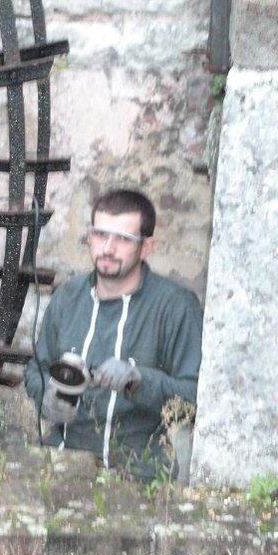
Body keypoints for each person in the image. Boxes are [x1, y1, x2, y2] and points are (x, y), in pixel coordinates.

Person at [24, 188, 203, 476]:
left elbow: (196, 398)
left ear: (147, 247)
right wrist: (47, 397)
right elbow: (36, 370)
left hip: (143, 474)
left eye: (123, 239)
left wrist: (139, 381)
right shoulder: (67, 298)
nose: (107, 248)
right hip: (63, 464)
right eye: (100, 235)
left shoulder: (175, 307)